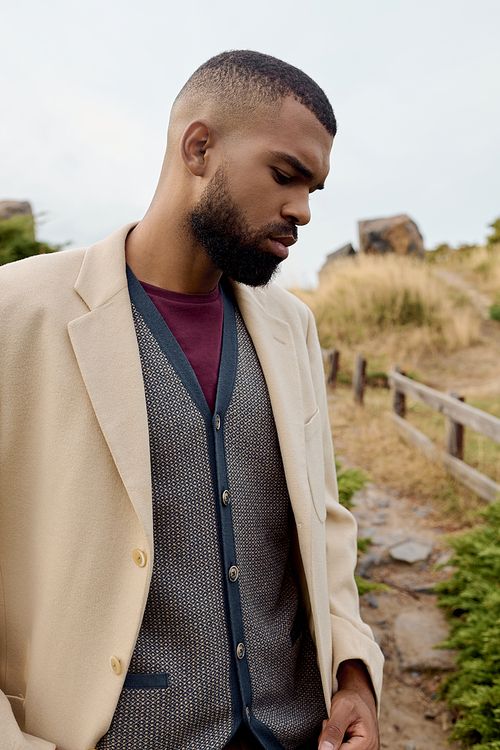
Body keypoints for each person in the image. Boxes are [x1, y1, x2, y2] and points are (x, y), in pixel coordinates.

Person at [0, 51, 383, 750]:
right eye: (285, 175)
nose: (301, 209)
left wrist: (353, 672)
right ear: (199, 147)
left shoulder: (292, 326)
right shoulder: (16, 312)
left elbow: (325, 518)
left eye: (314, 190)